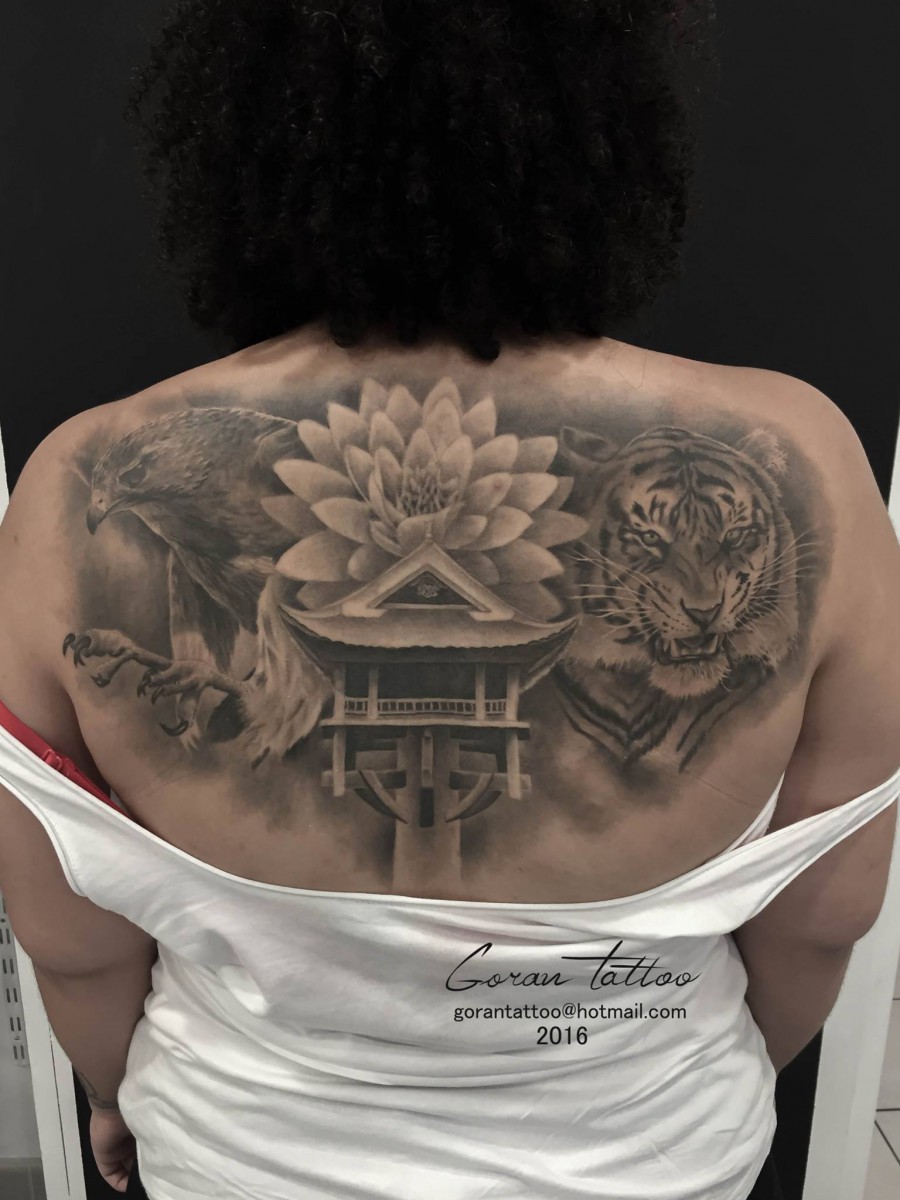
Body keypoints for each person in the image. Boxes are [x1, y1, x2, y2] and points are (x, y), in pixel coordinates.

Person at [0, 3, 897, 1199]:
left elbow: (71, 943)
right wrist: (723, 1073)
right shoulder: (804, 457)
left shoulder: (76, 484)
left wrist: (117, 1094)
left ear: (245, 138)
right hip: (653, 1149)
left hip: (245, 1153)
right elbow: (826, 914)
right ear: (602, 128)